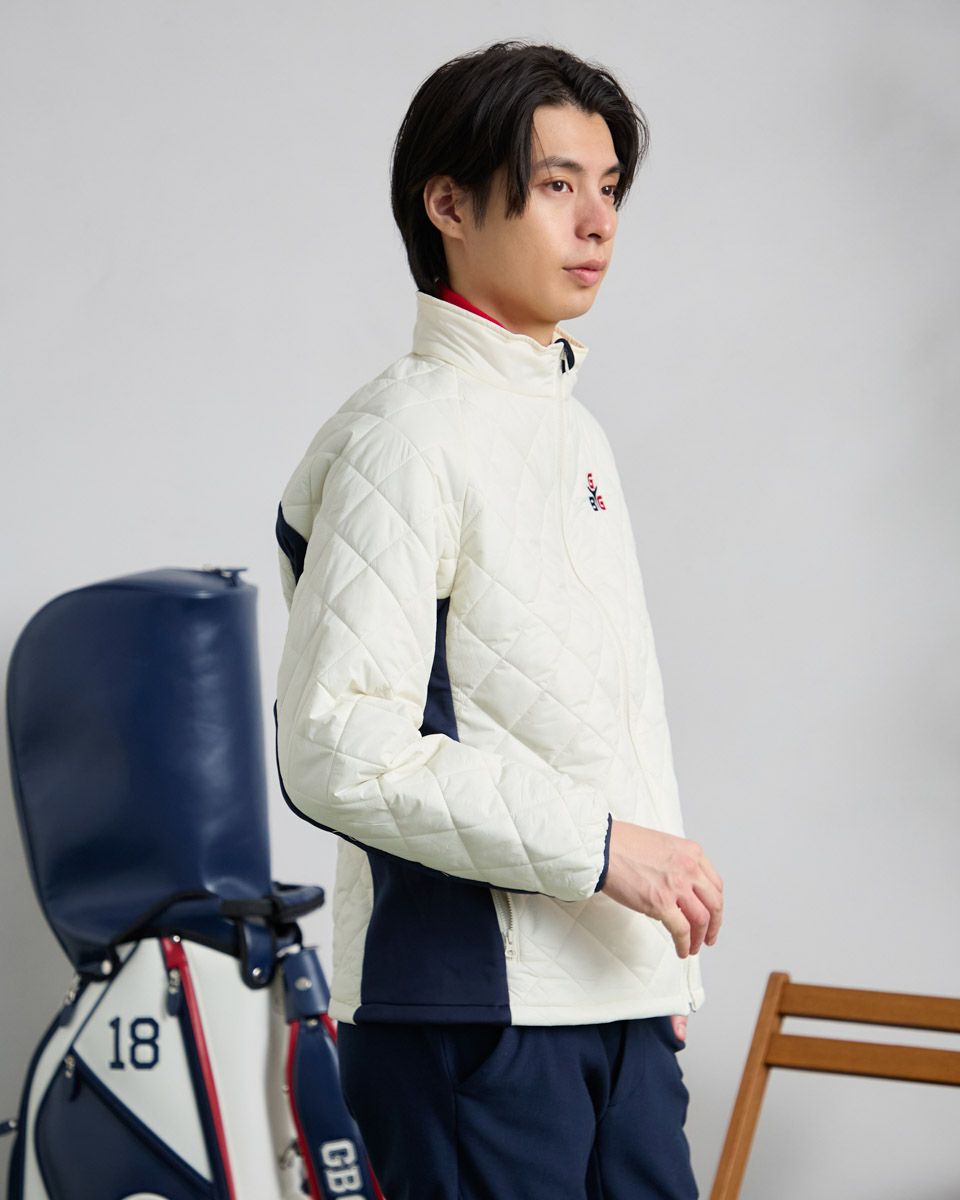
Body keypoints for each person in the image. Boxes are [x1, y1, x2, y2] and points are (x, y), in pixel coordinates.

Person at [274, 39, 723, 1200]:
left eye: (609, 187)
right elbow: (338, 744)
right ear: (450, 206)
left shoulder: (577, 433)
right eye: (558, 183)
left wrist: (649, 978)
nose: (597, 222)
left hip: (614, 1014)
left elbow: (578, 716)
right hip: (472, 1017)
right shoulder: (403, 437)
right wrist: (604, 850)